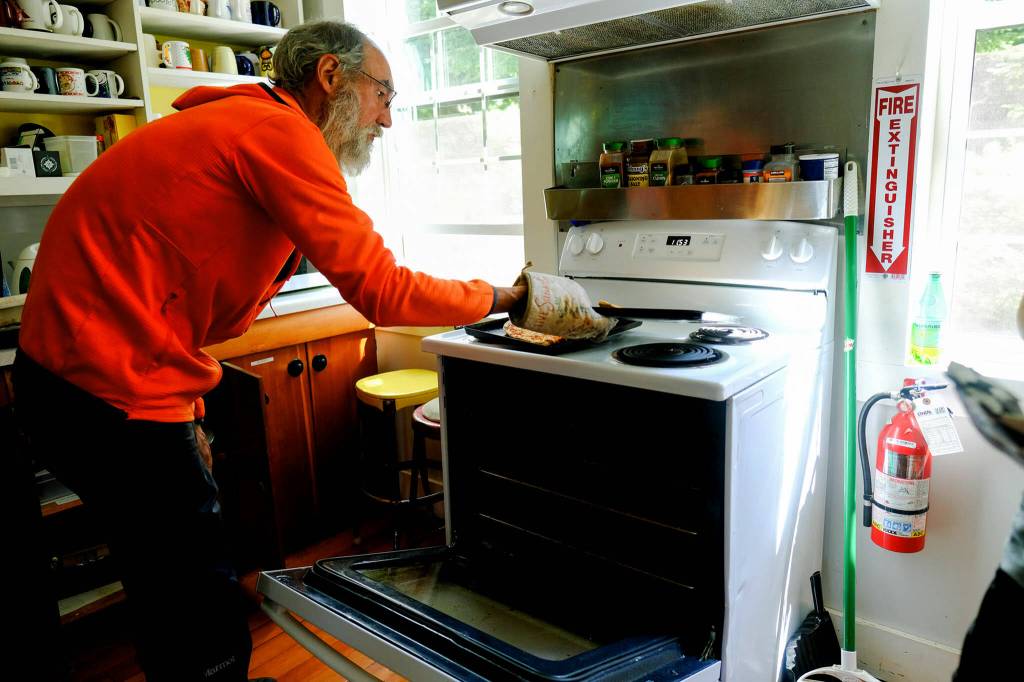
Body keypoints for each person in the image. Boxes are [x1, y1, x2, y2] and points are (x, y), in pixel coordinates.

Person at [13, 19, 525, 682]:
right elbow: (382, 290)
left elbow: (162, 299)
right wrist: (504, 298)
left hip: (78, 381)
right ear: (330, 77)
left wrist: (186, 412)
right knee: (193, 584)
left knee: (167, 574)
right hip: (98, 383)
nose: (387, 120)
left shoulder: (246, 125)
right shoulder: (278, 132)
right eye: (384, 95)